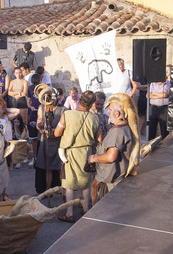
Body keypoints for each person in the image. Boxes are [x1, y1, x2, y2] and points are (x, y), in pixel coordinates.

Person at [54, 90, 99, 223]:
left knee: (69, 184)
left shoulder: (67, 114)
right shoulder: (94, 117)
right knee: (85, 183)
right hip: (86, 152)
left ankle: (69, 213)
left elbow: (57, 133)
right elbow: (99, 138)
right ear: (91, 104)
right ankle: (85, 209)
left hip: (70, 152)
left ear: (80, 100)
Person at [88, 93, 139, 204]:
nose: (108, 112)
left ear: (117, 113)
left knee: (104, 212)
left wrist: (93, 158)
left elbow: (111, 157)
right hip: (110, 178)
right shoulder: (122, 128)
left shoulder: (117, 132)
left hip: (110, 181)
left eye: (110, 109)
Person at [147, 64, 171, 140]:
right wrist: (160, 95)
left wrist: (154, 94)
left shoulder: (168, 83)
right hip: (153, 108)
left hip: (164, 108)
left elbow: (165, 94)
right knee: (151, 128)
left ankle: (165, 145)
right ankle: (150, 143)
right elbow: (148, 95)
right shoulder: (153, 84)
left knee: (164, 128)